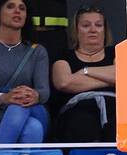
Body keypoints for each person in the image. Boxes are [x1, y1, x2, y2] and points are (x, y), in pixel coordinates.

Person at [0, 0, 52, 144]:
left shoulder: (37, 51)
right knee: (33, 128)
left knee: (19, 107)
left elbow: (44, 91)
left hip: (32, 108)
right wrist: (6, 98)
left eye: (22, 8)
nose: (17, 11)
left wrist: (35, 95)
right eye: (10, 6)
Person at [49, 5, 117, 142]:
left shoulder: (116, 52)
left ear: (105, 30)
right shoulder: (63, 56)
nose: (93, 30)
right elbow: (64, 82)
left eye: (98, 25)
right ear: (76, 30)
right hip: (77, 113)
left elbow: (125, 76)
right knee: (82, 123)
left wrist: (86, 71)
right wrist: (109, 77)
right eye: (86, 25)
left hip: (115, 110)